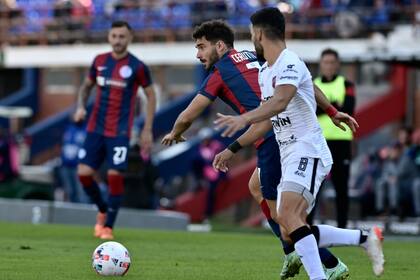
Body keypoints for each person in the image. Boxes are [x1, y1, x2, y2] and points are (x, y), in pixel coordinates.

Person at [161, 20, 351, 279]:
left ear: (219, 45)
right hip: (281, 134)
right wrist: (330, 111)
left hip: (273, 137)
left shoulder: (220, 72)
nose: (198, 54)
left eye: (201, 47)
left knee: (284, 218)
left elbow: (188, 114)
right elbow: (303, 80)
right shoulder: (260, 57)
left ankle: (329, 264)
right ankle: (292, 252)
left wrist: (176, 133)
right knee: (256, 187)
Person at [214, 7, 384, 279]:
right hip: (288, 152)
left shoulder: (289, 62)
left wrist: (242, 118)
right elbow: (269, 118)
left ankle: (321, 275)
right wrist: (232, 148)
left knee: (289, 215)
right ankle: (364, 239)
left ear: (259, 34)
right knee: (287, 226)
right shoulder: (265, 72)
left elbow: (281, 101)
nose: (251, 40)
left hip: (307, 149)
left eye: (251, 34)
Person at [73, 20, 156, 240]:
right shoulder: (99, 61)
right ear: (109, 37)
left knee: (114, 176)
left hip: (120, 132)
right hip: (95, 128)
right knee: (83, 175)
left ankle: (108, 226)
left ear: (130, 38)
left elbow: (151, 95)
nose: (117, 40)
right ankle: (102, 208)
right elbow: (86, 86)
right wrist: (81, 106)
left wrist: (147, 128)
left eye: (122, 36)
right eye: (114, 36)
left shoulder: (137, 66)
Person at [314, 48, 356, 228]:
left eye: (332, 62)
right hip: (318, 142)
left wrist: (323, 107)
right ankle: (307, 228)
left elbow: (348, 109)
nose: (329, 66)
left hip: (341, 142)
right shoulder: (313, 84)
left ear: (337, 65)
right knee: (313, 188)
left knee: (341, 188)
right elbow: (310, 111)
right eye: (326, 62)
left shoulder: (347, 84)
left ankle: (342, 229)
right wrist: (333, 107)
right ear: (321, 64)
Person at [60, 119, 88, 203]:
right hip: (66, 165)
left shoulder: (86, 130)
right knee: (70, 191)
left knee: (81, 193)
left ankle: (82, 213)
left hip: (79, 167)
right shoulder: (69, 129)